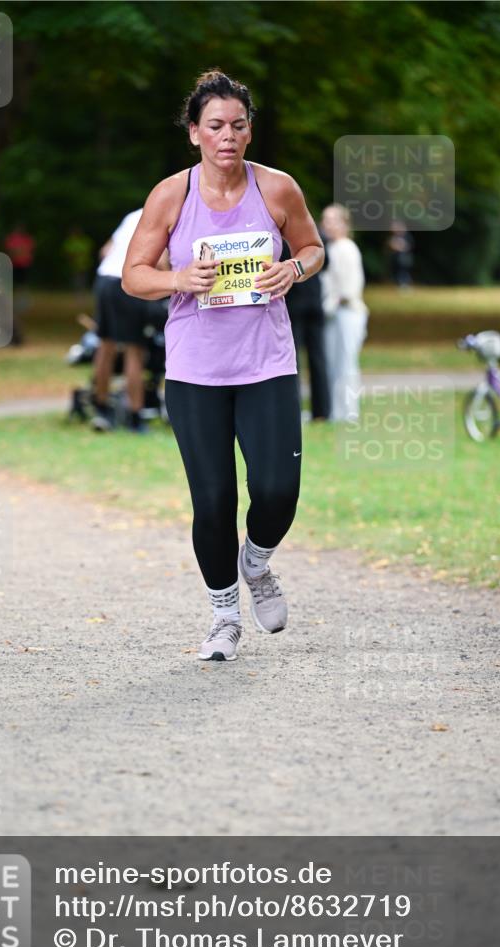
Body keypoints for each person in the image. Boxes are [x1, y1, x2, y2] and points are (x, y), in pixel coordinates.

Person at [122, 69, 324, 661]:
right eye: (215, 126)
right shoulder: (171, 195)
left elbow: (313, 248)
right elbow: (134, 276)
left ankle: (256, 563)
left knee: (278, 489)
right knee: (212, 501)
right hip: (195, 372)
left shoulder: (278, 190)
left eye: (238, 125)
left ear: (250, 132)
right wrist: (178, 278)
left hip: (266, 363)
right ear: (194, 134)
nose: (227, 136)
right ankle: (224, 615)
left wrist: (296, 270)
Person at [91, 209, 153, 433]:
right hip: (129, 281)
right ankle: (135, 416)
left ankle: (101, 407)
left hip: (105, 279)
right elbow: (164, 260)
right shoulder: (167, 212)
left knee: (105, 345)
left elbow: (105, 250)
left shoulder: (132, 215)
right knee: (134, 349)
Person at [320, 203, 368, 422]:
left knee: (346, 363)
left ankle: (348, 412)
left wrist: (331, 303)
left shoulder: (347, 248)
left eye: (332, 220)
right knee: (332, 362)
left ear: (344, 223)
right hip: (332, 314)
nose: (327, 224)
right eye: (325, 219)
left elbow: (349, 289)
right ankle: (333, 410)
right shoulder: (329, 248)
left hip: (348, 313)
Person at [284, 235, 331, 420]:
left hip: (296, 305)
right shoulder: (316, 237)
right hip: (314, 302)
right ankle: (322, 411)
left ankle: (297, 409)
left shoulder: (280, 238)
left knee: (294, 362)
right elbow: (325, 264)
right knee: (318, 359)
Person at [386, 219, 414, 288]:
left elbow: (408, 247)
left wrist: (398, 246)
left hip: (404, 259)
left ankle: (405, 284)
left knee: (403, 272)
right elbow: (390, 245)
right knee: (397, 272)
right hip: (396, 259)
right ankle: (400, 284)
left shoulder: (407, 236)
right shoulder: (394, 237)